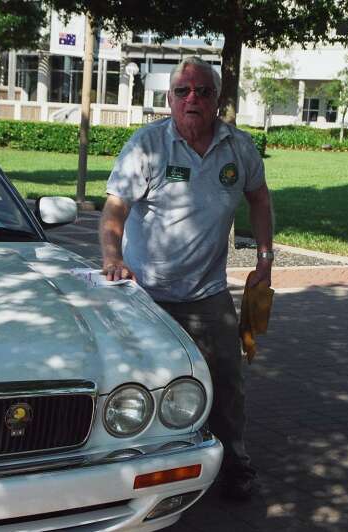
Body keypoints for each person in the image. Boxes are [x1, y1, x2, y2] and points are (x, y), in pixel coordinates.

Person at [100, 56, 274, 500]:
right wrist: (112, 258)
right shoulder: (147, 146)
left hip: (207, 293)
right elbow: (115, 210)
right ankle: (133, 467)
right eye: (183, 92)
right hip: (144, 294)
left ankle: (234, 465)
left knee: (227, 381)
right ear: (170, 99)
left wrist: (265, 256)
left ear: (218, 99)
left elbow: (259, 198)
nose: (192, 99)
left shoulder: (240, 148)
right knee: (137, 383)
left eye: (203, 91)